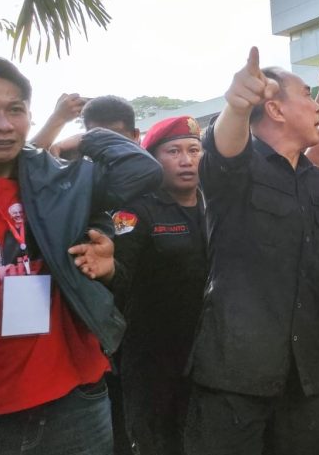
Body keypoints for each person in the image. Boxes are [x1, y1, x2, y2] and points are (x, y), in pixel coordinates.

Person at [183, 47, 319, 455]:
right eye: (306, 95)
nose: (318, 108)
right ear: (275, 109)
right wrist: (236, 105)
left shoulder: (316, 181)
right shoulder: (237, 168)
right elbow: (221, 148)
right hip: (236, 376)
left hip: (306, 377)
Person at [0, 57, 162, 454]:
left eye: (15, 110)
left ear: (30, 115)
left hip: (74, 402)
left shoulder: (57, 180)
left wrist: (89, 139)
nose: (3, 125)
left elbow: (143, 170)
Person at [111, 116, 207, 455]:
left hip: (206, 353)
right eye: (174, 151)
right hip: (152, 356)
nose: (187, 160)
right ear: (153, 159)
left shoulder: (216, 206)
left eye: (194, 150)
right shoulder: (136, 212)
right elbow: (118, 277)